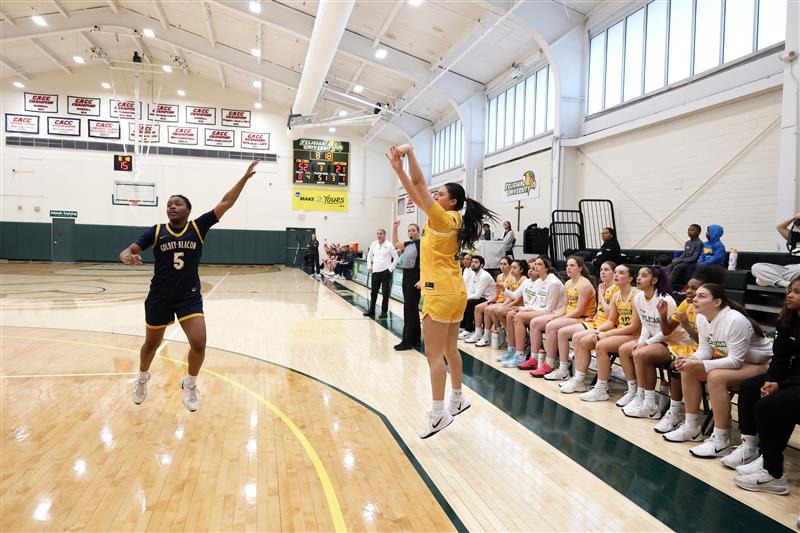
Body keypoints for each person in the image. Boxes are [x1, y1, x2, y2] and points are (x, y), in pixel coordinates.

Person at [120, 160, 260, 412]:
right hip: (159, 296)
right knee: (151, 344)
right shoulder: (157, 231)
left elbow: (225, 203)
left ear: (187, 209)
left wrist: (244, 179)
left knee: (198, 343)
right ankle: (142, 379)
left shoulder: (198, 227)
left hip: (188, 296)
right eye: (169, 204)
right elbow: (128, 249)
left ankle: (190, 384)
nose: (172, 207)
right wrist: (127, 255)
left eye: (177, 203)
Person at [387, 144, 496, 438]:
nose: (436, 197)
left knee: (433, 355)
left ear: (452, 202)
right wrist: (399, 170)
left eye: (441, 195)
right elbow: (416, 193)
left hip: (441, 293)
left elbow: (420, 186)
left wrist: (410, 154)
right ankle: (457, 398)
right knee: (450, 349)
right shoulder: (454, 219)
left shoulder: (442, 218)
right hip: (454, 289)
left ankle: (438, 414)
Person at [663, 284, 772, 459]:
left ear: (717, 302)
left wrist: (702, 366)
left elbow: (735, 361)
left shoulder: (735, 320)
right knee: (688, 370)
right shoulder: (702, 318)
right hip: (741, 362)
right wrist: (689, 360)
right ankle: (692, 428)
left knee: (715, 377)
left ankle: (721, 440)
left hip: (762, 366)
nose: (695, 299)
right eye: (696, 295)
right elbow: (706, 350)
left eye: (702, 296)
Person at [731, 275, 799, 494]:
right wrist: (771, 380)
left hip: (796, 380)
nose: (790, 295)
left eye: (797, 292)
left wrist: (780, 385)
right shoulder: (787, 318)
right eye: (790, 290)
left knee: (770, 405)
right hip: (789, 377)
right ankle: (752, 449)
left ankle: (774, 474)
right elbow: (779, 357)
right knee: (751, 388)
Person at [651, 265, 726, 432]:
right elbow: (667, 331)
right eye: (688, 287)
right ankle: (675, 412)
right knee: (677, 365)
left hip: (719, 354)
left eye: (695, 288)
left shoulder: (719, 312)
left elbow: (709, 344)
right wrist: (663, 316)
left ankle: (683, 417)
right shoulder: (686, 304)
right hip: (698, 350)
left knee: (679, 367)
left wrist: (686, 325)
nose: (688, 291)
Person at [560, 264, 641, 399]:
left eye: (621, 273)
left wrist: (607, 333)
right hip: (621, 331)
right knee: (585, 340)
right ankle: (579, 380)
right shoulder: (616, 295)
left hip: (635, 334)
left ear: (630, 278)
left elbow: (633, 327)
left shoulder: (636, 294)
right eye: (615, 272)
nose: (616, 275)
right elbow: (610, 321)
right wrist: (597, 331)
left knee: (601, 345)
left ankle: (602, 388)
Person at [618, 265, 689, 415]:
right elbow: (645, 323)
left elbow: (668, 332)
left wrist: (646, 343)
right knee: (625, 349)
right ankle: (636, 393)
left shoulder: (666, 300)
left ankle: (649, 402)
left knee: (641, 353)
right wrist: (641, 342)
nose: (638, 278)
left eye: (644, 275)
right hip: (656, 339)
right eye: (638, 275)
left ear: (654, 280)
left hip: (674, 342)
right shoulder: (638, 298)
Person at [544, 261, 617, 381]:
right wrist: (594, 317)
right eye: (601, 269)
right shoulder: (602, 286)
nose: (603, 272)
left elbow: (609, 313)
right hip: (595, 321)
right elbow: (600, 309)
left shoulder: (613, 289)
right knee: (561, 331)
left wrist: (601, 296)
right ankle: (563, 370)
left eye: (606, 269)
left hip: (603, 324)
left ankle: (578, 377)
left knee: (574, 336)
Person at [528, 256, 597, 377]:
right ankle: (534, 358)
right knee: (536, 322)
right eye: (567, 266)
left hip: (582, 318)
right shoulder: (569, 283)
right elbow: (565, 307)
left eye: (572, 265)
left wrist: (561, 318)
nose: (568, 268)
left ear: (580, 268)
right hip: (569, 315)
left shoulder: (584, 284)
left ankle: (551, 364)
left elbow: (579, 311)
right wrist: (557, 315)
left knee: (551, 326)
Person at [498, 256, 565, 368]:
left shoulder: (553, 283)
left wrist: (523, 309)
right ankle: (513, 350)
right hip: (542, 310)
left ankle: (521, 356)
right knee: (512, 314)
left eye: (539, 264)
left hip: (554, 312)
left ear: (547, 268)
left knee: (518, 316)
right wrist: (523, 308)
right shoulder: (539, 281)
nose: (535, 267)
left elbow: (549, 309)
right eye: (535, 265)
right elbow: (536, 304)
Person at [475, 258, 525, 348]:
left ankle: (505, 333)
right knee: (480, 307)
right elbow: (500, 294)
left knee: (493, 310)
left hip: (516, 304)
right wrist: (492, 300)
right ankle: (485, 335)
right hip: (504, 301)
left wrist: (503, 305)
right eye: (501, 264)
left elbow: (517, 299)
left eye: (505, 264)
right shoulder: (501, 277)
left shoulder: (521, 279)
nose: (502, 266)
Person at [392, 219, 421, 350]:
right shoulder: (409, 243)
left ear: (418, 232)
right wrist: (395, 228)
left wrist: (422, 279)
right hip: (407, 276)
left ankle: (407, 341)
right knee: (412, 310)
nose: (411, 233)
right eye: (409, 231)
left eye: (413, 230)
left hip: (416, 276)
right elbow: (395, 243)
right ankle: (416, 339)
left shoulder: (421, 244)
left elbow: (426, 263)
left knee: (409, 309)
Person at [752, 213, 800, 288]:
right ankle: (785, 284)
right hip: (786, 269)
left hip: (797, 270)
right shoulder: (795, 237)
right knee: (756, 267)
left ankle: (767, 280)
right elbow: (780, 227)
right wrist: (794, 218)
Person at [364, 228, 398, 319]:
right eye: (377, 233)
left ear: (384, 235)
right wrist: (369, 266)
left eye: (381, 234)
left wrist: (390, 269)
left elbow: (396, 258)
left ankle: (384, 312)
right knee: (373, 292)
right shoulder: (373, 244)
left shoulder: (389, 245)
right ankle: (371, 310)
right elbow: (369, 256)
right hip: (375, 272)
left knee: (385, 293)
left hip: (386, 273)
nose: (379, 235)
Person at [459, 255, 495, 338]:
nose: (473, 264)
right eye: (472, 262)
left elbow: (478, 295)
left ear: (481, 265)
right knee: (465, 301)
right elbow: (471, 291)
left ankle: (469, 330)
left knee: (469, 303)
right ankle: (463, 327)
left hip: (488, 298)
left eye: (476, 262)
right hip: (481, 297)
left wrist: (465, 298)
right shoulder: (475, 274)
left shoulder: (484, 276)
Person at [668, 224, 703, 289]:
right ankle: (666, 281)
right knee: (670, 266)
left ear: (699, 232)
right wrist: (676, 259)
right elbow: (684, 254)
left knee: (677, 267)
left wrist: (679, 260)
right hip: (684, 261)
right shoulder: (687, 242)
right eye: (688, 230)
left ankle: (668, 285)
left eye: (692, 230)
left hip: (692, 263)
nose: (689, 231)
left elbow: (694, 257)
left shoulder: (699, 243)